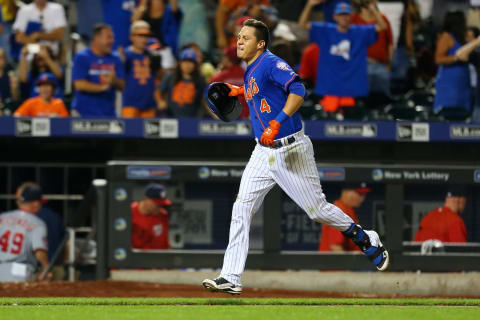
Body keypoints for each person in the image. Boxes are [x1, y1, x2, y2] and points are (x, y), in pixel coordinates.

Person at [202, 18, 388, 295]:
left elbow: (298, 89)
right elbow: (263, 93)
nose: (239, 41)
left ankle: (363, 236)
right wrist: (241, 92)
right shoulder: (250, 68)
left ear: (260, 43)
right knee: (242, 208)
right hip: (263, 151)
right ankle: (231, 276)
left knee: (317, 211)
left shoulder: (269, 62)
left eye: (246, 37)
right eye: (239, 36)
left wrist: (276, 122)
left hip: (291, 148)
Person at [298, 1, 386, 113]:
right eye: (341, 14)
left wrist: (373, 9)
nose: (344, 18)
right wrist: (309, 5)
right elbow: (302, 24)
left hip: (351, 88)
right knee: (327, 121)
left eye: (346, 14)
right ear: (335, 16)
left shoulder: (359, 32)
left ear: (351, 16)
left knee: (350, 121)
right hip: (330, 87)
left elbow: (382, 26)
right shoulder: (326, 30)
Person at [71, 24, 125, 117]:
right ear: (96, 38)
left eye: (112, 38)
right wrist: (103, 87)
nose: (112, 41)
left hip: (108, 114)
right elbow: (79, 84)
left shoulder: (115, 58)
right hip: (83, 114)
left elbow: (122, 86)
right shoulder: (82, 57)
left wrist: (114, 81)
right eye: (108, 37)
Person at [0, 182, 49, 282]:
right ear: (35, 204)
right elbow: (39, 250)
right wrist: (46, 268)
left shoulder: (2, 218)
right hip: (20, 272)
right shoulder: (37, 223)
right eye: (40, 203)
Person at [351, 0, 393, 97]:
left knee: (383, 99)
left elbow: (390, 42)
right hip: (361, 66)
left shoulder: (382, 18)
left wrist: (389, 63)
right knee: (362, 98)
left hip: (381, 65)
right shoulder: (354, 19)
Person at [122, 21, 161, 118]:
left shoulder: (153, 55)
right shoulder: (125, 55)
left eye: (146, 35)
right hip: (130, 105)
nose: (144, 39)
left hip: (150, 104)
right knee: (130, 132)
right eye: (140, 35)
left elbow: (159, 77)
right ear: (131, 37)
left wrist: (158, 66)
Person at [433, 11, 470, 114]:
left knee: (462, 113)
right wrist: (457, 58)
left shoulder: (463, 37)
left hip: (463, 80)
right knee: (449, 112)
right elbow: (438, 59)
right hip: (449, 81)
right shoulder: (447, 36)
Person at [319, 183, 370, 252]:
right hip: (331, 262)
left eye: (364, 195)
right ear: (345, 192)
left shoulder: (348, 210)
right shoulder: (338, 212)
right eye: (359, 194)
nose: (362, 198)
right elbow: (336, 248)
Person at [156, 48, 206, 117]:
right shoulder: (170, 77)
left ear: (195, 65)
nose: (187, 65)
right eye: (185, 61)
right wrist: (160, 101)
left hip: (192, 119)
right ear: (180, 63)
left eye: (191, 62)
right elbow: (158, 91)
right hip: (171, 117)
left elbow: (204, 99)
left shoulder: (200, 80)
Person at [210, 44, 249, 118]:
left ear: (228, 59)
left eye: (224, 57)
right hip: (246, 120)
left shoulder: (218, 77)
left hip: (224, 121)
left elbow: (209, 99)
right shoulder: (249, 76)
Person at [131, 183, 172, 250]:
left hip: (158, 257)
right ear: (146, 199)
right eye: (157, 204)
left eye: (162, 204)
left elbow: (165, 241)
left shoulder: (163, 215)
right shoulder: (130, 213)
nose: (159, 207)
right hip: (137, 257)